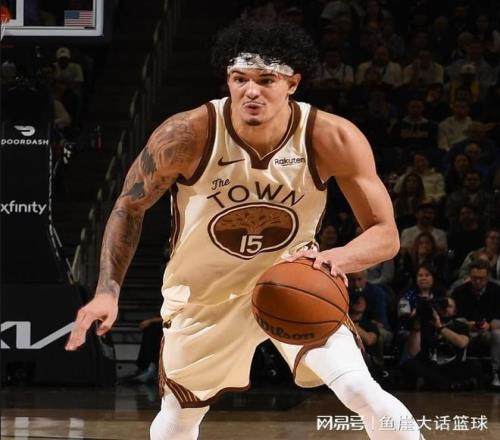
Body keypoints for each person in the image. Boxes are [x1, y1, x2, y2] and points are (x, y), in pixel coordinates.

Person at [66, 20, 423, 440]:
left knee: (360, 389)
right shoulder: (187, 134)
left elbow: (385, 234)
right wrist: (108, 290)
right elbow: (129, 206)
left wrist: (334, 258)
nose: (251, 91)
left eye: (266, 80)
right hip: (204, 293)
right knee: (179, 416)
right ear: (228, 80)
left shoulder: (331, 137)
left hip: (291, 283)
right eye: (240, 79)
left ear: (292, 83)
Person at [451, 260, 500, 387]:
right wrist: (467, 325)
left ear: (488, 277)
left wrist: (489, 325)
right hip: (466, 332)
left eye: (481, 278)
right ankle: (456, 373)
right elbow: (453, 317)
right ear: (469, 276)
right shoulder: (459, 291)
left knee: (497, 334)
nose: (477, 281)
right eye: (474, 278)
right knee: (456, 328)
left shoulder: (497, 291)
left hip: (488, 331)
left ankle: (496, 373)